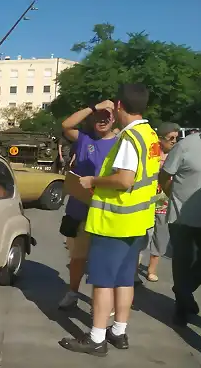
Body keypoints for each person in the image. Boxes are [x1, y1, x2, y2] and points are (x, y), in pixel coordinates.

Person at [59, 84, 159, 356]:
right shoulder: (150, 135)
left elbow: (124, 180)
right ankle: (119, 332)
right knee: (125, 280)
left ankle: (96, 337)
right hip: (137, 222)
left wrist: (94, 180)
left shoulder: (129, 138)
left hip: (115, 222)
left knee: (103, 282)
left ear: (118, 106)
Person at [58, 106, 118, 310]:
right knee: (77, 258)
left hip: (106, 211)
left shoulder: (121, 143)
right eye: (98, 117)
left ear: (115, 119)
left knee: (101, 262)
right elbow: (66, 125)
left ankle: (98, 303)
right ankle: (72, 292)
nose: (102, 121)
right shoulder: (84, 138)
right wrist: (94, 107)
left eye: (106, 117)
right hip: (79, 208)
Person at [158, 124, 201, 326]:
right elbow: (164, 175)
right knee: (182, 263)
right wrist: (172, 195)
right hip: (181, 218)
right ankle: (181, 307)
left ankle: (183, 292)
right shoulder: (186, 146)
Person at [145, 122, 179, 282]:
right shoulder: (152, 153)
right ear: (161, 139)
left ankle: (152, 269)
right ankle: (133, 267)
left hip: (165, 202)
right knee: (142, 234)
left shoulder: (176, 155)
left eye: (176, 138)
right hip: (147, 199)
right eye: (170, 138)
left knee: (161, 236)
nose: (173, 141)